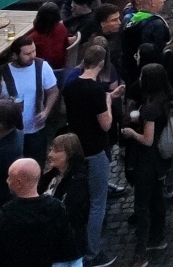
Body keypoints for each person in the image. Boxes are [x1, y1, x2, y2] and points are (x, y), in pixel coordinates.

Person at [63, 40, 122, 267]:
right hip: (95, 149)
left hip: (76, 147)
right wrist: (108, 100)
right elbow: (106, 124)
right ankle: (92, 252)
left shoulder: (71, 85)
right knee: (98, 202)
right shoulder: (96, 90)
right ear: (100, 63)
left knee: (80, 199)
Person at [0, 156, 75, 267]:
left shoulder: (3, 218)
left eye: (9, 178)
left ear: (19, 183)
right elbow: (67, 250)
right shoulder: (56, 209)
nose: (7, 181)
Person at [119, 61, 172, 259]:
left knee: (142, 204)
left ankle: (142, 247)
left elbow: (147, 140)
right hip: (159, 159)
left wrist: (131, 132)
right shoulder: (165, 98)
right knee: (157, 197)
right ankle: (158, 237)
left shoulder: (150, 108)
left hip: (147, 161)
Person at [3, 34, 60, 162]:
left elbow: (53, 91)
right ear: (15, 55)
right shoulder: (3, 73)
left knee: (36, 166)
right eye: (27, 54)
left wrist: (46, 111)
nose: (32, 56)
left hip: (36, 131)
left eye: (34, 51)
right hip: (11, 132)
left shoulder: (42, 67)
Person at [41, 133, 92, 267]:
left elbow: (70, 212)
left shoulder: (78, 181)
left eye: (56, 150)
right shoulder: (51, 176)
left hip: (68, 245)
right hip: (54, 245)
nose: (50, 154)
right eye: (51, 149)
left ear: (69, 155)